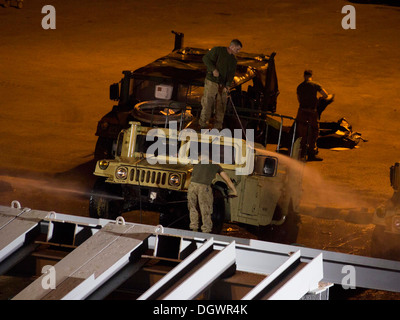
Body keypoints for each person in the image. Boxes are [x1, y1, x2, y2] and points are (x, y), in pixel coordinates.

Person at [187, 154, 237, 233]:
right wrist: (234, 191)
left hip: (192, 186)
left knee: (192, 208)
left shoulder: (196, 164)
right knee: (205, 209)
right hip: (204, 188)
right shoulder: (216, 166)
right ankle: (206, 230)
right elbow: (227, 180)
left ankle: (194, 228)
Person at [199, 39, 242, 130]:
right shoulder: (218, 50)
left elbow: (231, 74)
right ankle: (203, 125)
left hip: (223, 85)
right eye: (237, 49)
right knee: (207, 103)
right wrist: (213, 69)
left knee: (221, 106)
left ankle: (218, 127)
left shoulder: (233, 60)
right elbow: (205, 58)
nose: (238, 52)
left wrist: (228, 85)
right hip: (212, 81)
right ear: (232, 47)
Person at [296, 70, 334, 161]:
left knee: (302, 132)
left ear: (304, 76)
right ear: (311, 75)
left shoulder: (299, 87)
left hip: (302, 111)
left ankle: (301, 153)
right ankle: (311, 154)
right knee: (314, 132)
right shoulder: (315, 85)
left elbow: (299, 99)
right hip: (312, 112)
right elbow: (325, 95)